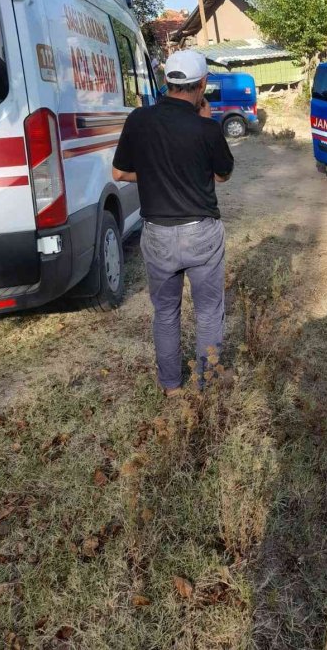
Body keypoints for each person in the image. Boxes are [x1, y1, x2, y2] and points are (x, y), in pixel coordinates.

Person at [112, 50, 234, 396]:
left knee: (165, 313)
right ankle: (206, 383)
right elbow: (222, 176)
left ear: (166, 81)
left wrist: (155, 173)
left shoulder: (138, 120)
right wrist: (207, 124)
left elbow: (119, 173)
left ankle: (171, 386)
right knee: (208, 312)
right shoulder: (207, 128)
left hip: (157, 235)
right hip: (201, 233)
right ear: (202, 85)